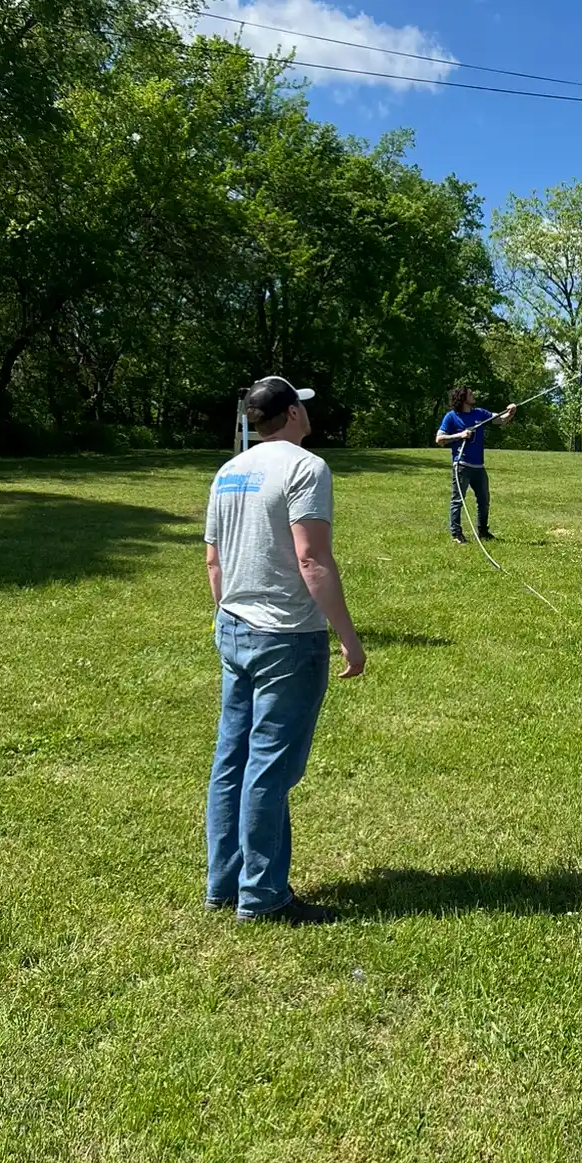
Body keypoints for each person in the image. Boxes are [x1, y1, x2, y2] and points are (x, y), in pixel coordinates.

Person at [203, 376, 366, 926]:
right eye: (306, 407)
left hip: (234, 627)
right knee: (268, 768)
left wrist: (230, 617)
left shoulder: (228, 471)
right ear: (293, 413)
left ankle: (223, 884)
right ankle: (264, 896)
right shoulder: (305, 467)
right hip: (287, 638)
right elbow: (312, 559)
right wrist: (346, 634)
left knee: (233, 761)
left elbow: (214, 561)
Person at [435, 385, 517, 544]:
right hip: (462, 465)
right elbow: (439, 439)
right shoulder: (451, 417)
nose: (474, 395)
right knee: (458, 500)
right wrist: (461, 434)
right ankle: (456, 534)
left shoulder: (480, 413)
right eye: (470, 394)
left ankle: (483, 532)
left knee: (484, 500)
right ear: (462, 398)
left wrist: (511, 411)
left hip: (479, 467)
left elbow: (501, 419)